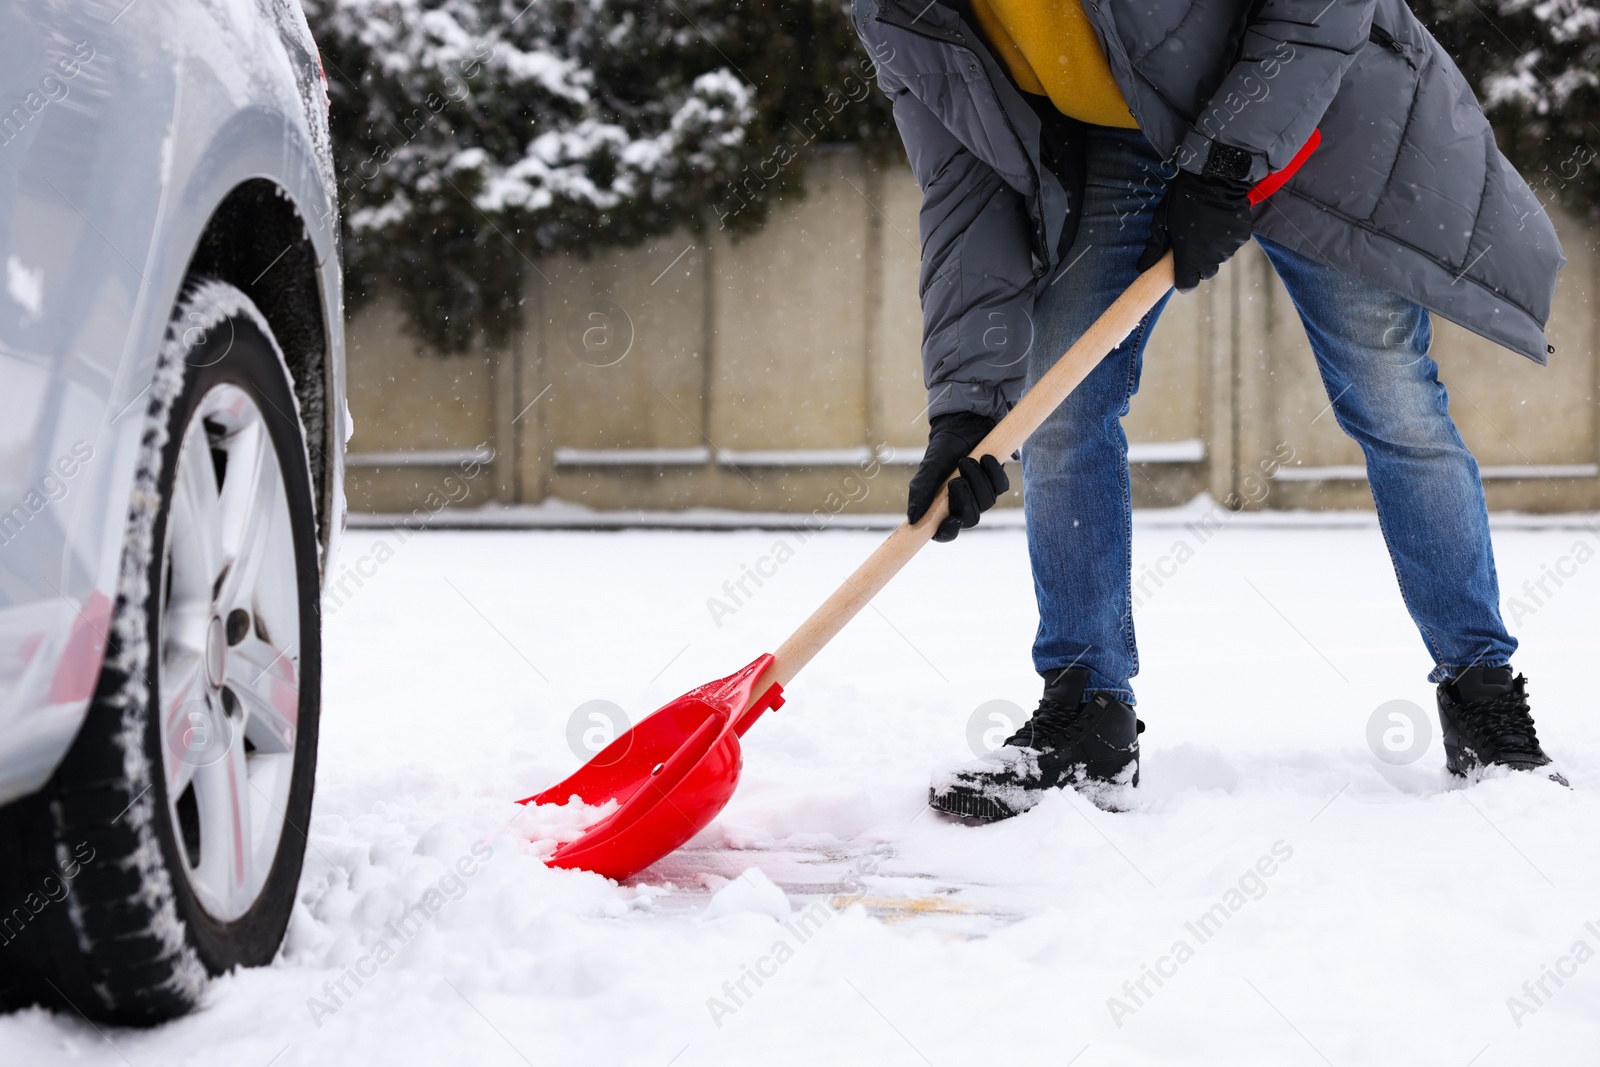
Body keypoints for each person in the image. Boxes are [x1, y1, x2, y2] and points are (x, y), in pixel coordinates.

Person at [852, 0, 1569, 819]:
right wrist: (966, 408)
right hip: (1127, 135)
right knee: (1061, 401)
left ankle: (1481, 695)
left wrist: (1228, 161)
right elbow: (966, 181)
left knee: (1392, 398)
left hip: (1311, 106)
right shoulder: (896, 7)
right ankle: (1089, 713)